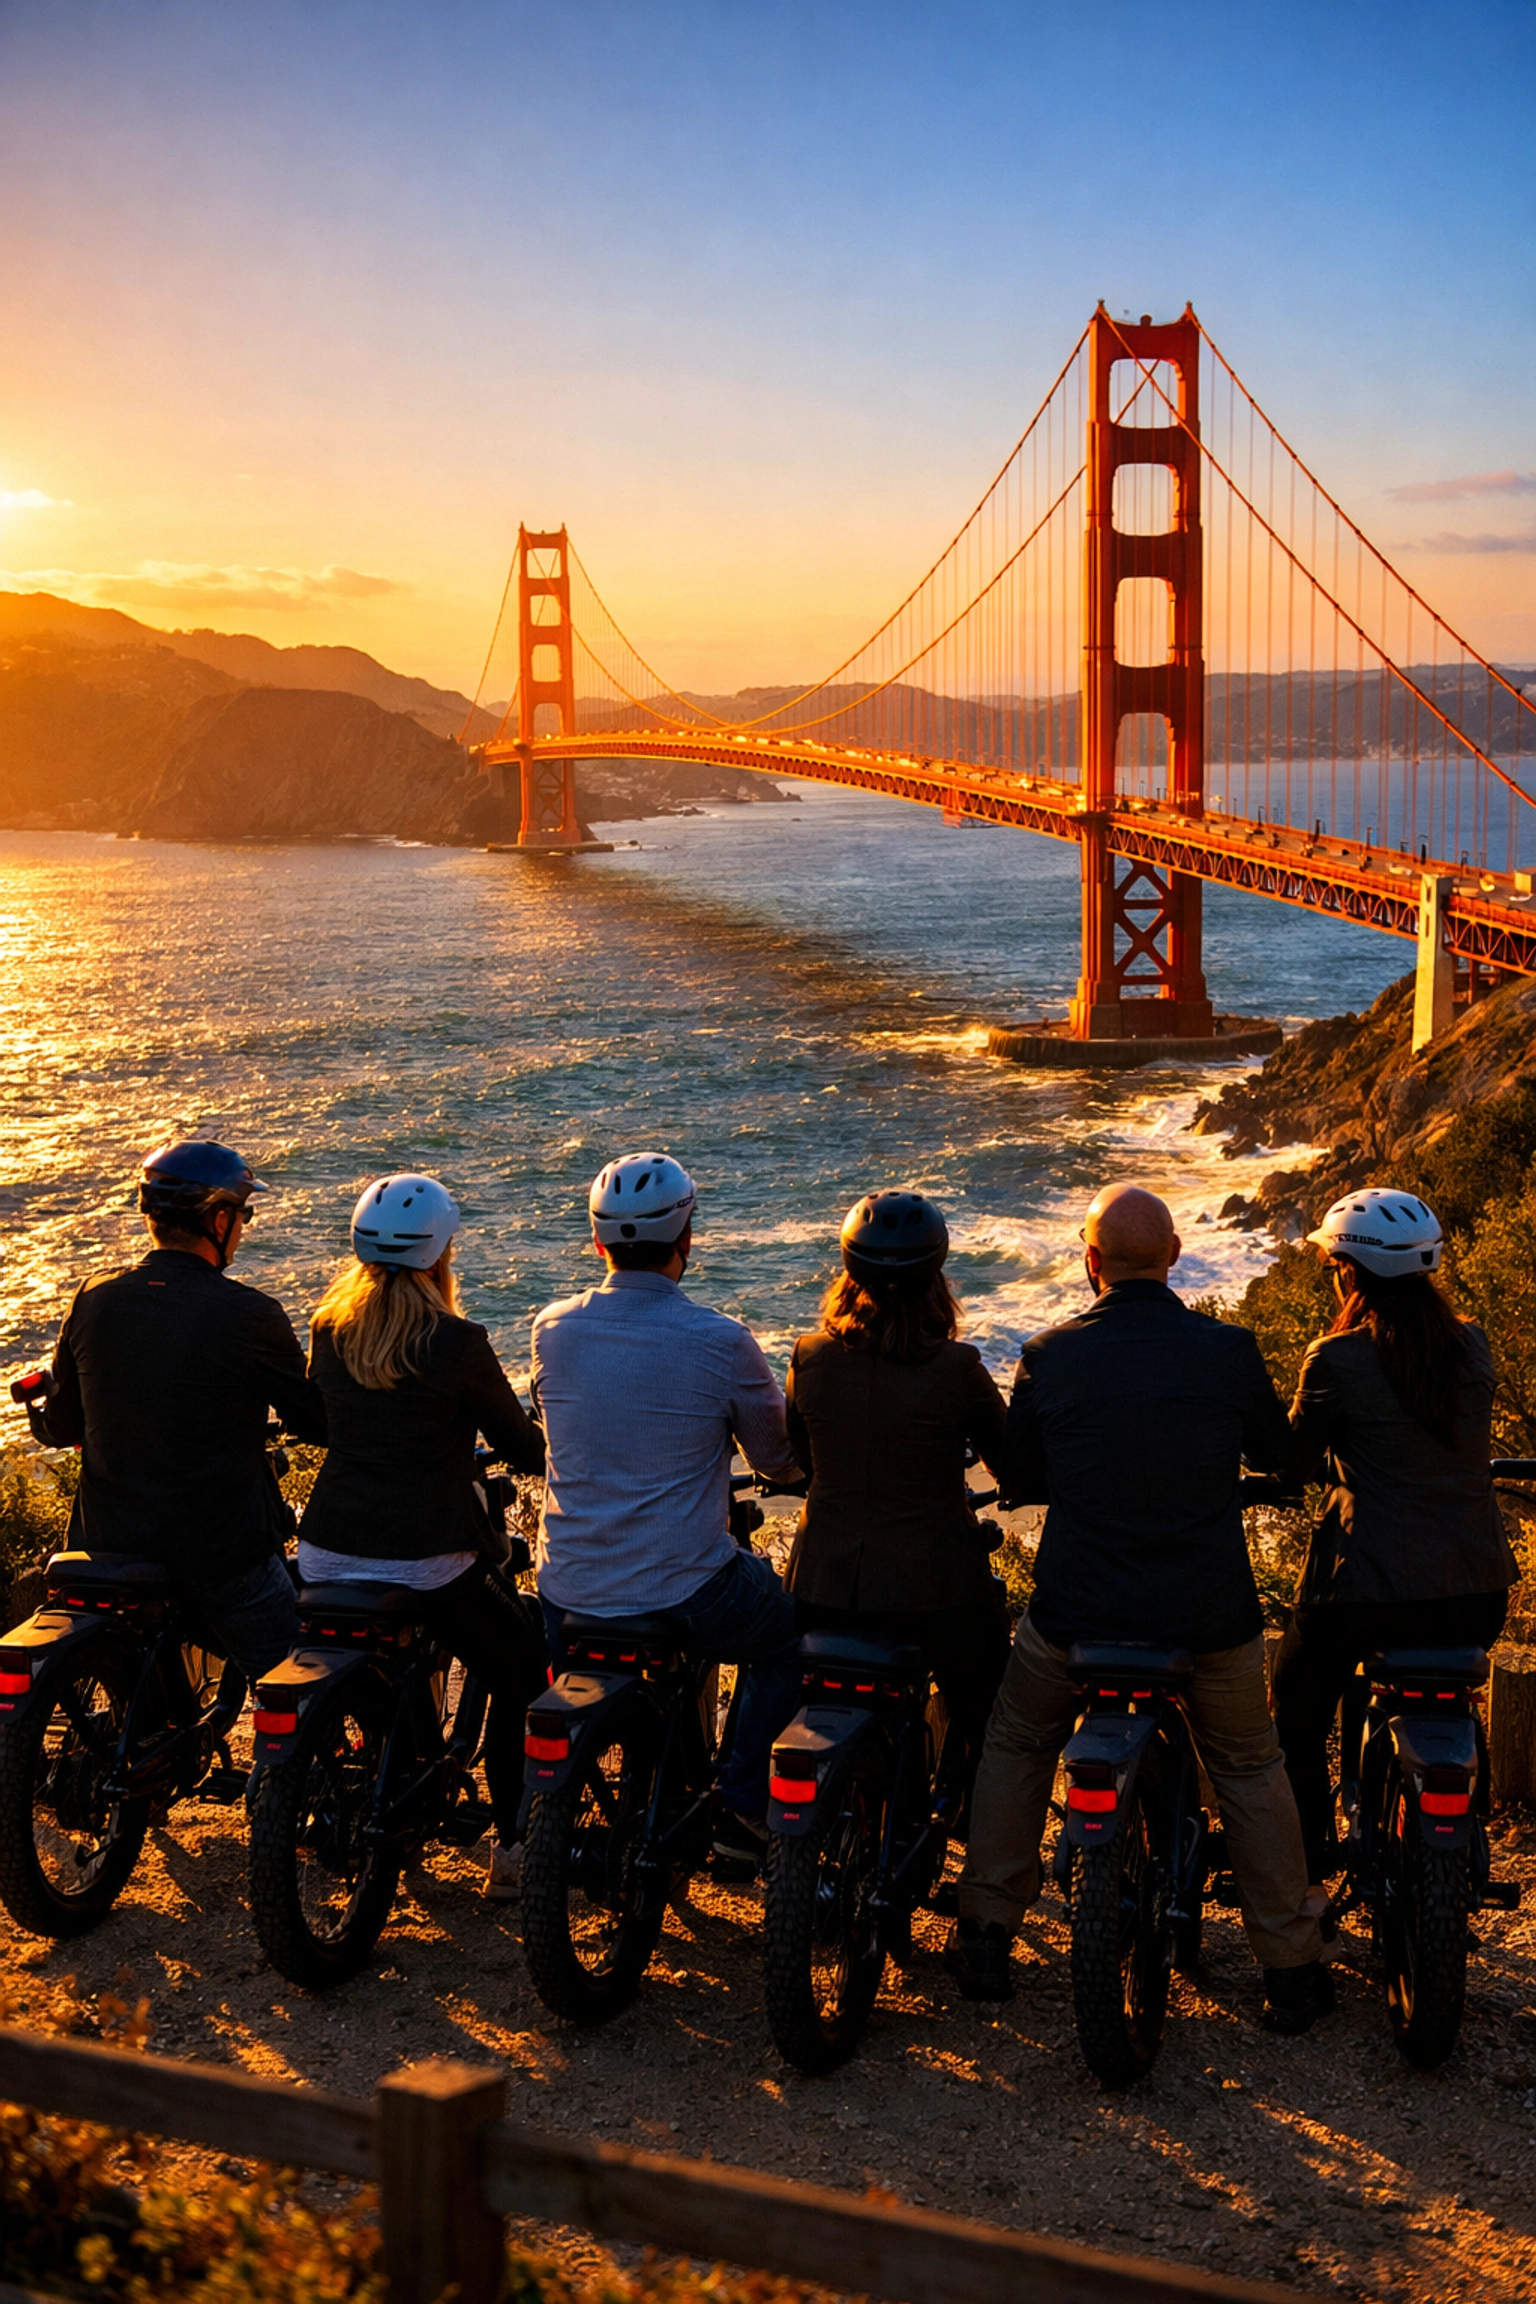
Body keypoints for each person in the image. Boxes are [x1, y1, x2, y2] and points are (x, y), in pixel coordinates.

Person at [951, 1182, 1331, 2034]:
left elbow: (1019, 1479)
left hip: (1079, 1613)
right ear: (1175, 1254)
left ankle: (984, 1933)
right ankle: (1292, 1969)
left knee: (1017, 1739)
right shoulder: (1227, 1351)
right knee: (1247, 1765)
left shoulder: (1049, 1353)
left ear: (1091, 1265)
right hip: (1208, 1616)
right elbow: (1281, 1455)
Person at [531, 1153, 803, 1863]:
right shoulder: (722, 1340)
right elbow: (777, 1461)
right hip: (685, 1592)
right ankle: (743, 1805)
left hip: (567, 1595)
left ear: (598, 1244)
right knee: (787, 1641)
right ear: (688, 1237)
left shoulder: (551, 1329)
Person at [297, 1174, 548, 1901]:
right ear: (442, 1253)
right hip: (427, 1559)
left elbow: (326, 1423)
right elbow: (522, 1448)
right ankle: (514, 1843)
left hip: (327, 1550)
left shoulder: (328, 1326)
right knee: (522, 1668)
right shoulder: (457, 1341)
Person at [1272, 1188, 1518, 1904]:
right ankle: (1463, 1823)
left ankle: (1308, 1874)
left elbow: (1292, 1464)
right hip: (1474, 1587)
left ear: (1350, 1272)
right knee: (1456, 1697)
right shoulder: (1472, 1342)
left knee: (1296, 1708)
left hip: (1365, 1591)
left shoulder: (1334, 1359)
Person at [29, 1138, 326, 1682]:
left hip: (108, 1546)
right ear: (218, 1219)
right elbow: (316, 1420)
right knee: (300, 1681)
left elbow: (62, 1424)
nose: (244, 1226)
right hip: (221, 1558)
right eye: (243, 1214)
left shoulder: (94, 1296)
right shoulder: (250, 1314)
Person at [784, 1190, 1010, 1819]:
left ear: (848, 1271)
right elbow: (1016, 1465)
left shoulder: (810, 1356)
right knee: (990, 1708)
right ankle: (970, 1822)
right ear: (935, 1274)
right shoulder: (959, 1368)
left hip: (823, 1587)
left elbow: (802, 1456)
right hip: (934, 1596)